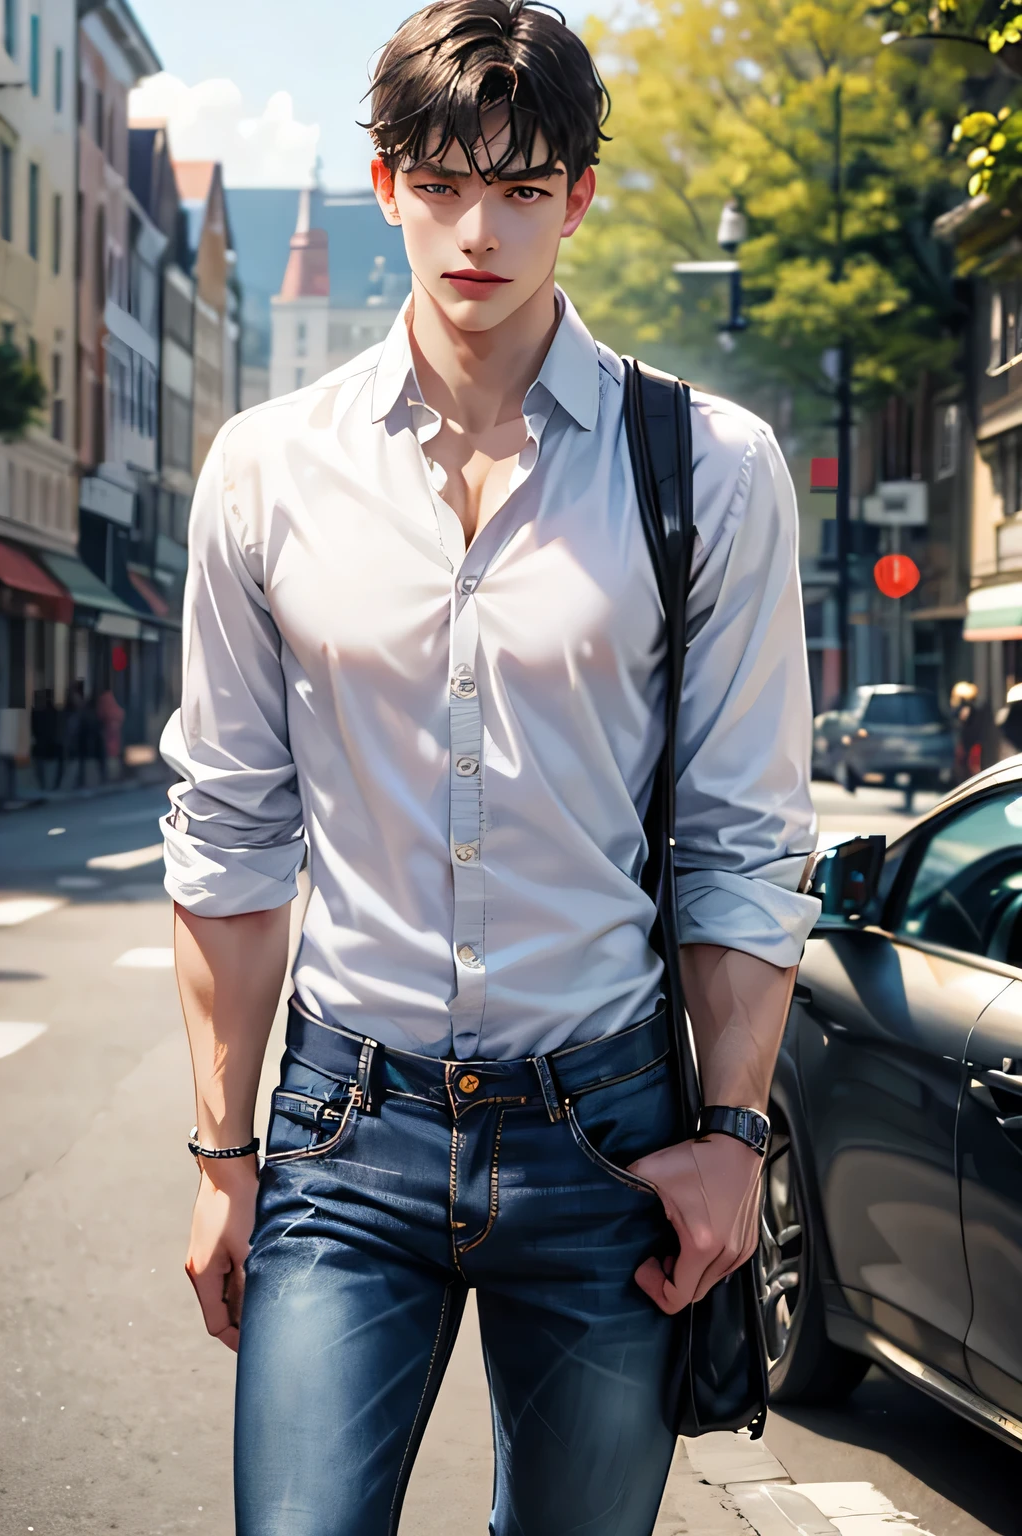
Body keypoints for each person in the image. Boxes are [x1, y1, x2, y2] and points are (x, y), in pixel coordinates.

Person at [160, 5, 819, 1533]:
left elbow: (742, 834)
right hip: (345, 1129)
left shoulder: (710, 469)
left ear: (579, 197)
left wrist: (730, 1137)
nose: (481, 229)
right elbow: (231, 832)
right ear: (384, 183)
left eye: (525, 188)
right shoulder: (265, 471)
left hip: (609, 1140)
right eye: (447, 183)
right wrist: (223, 1152)